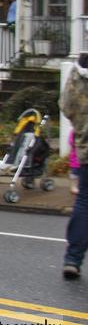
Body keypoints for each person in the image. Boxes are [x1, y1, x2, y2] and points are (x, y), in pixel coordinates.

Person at [60, 54, 88, 280]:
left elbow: (66, 106)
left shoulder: (77, 74)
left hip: (87, 149)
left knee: (84, 204)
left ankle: (73, 259)